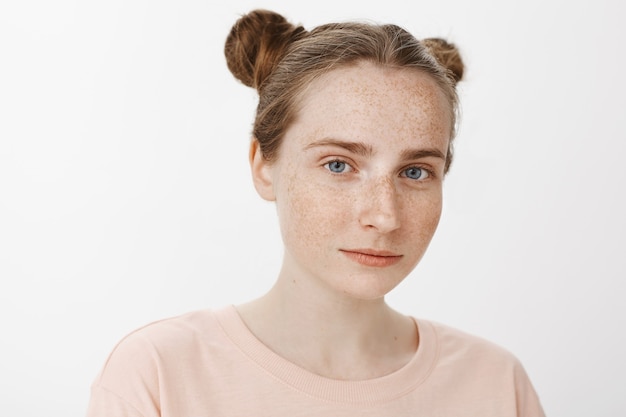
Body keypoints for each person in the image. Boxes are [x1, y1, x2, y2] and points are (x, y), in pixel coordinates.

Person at [86, 9, 545, 416]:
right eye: (339, 165)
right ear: (264, 165)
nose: (384, 216)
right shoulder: (158, 376)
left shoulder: (496, 385)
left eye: (416, 172)